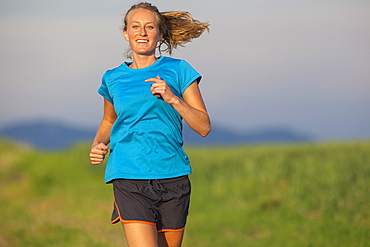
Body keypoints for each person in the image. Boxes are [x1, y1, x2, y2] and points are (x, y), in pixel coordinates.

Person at [89, 2, 210, 247]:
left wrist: (173, 99)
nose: (142, 32)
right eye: (135, 26)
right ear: (126, 33)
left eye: (149, 27)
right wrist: (98, 144)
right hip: (128, 174)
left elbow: (204, 126)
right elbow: (108, 120)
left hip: (172, 176)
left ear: (160, 34)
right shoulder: (113, 78)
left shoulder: (179, 70)